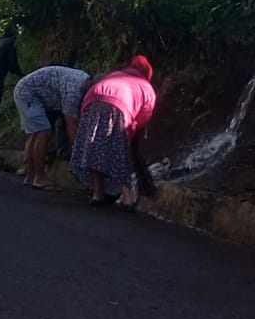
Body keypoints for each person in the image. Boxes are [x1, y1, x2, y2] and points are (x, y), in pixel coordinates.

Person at [71, 56, 159, 209]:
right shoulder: (147, 88)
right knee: (118, 151)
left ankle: (97, 194)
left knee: (93, 148)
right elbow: (143, 119)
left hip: (91, 100)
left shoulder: (114, 75)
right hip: (118, 107)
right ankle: (128, 198)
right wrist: (133, 138)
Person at [12, 64, 90, 189]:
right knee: (44, 132)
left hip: (29, 91)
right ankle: (39, 177)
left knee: (37, 133)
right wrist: (79, 154)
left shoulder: (82, 79)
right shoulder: (74, 91)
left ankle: (30, 174)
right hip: (28, 94)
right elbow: (71, 126)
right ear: (90, 85)